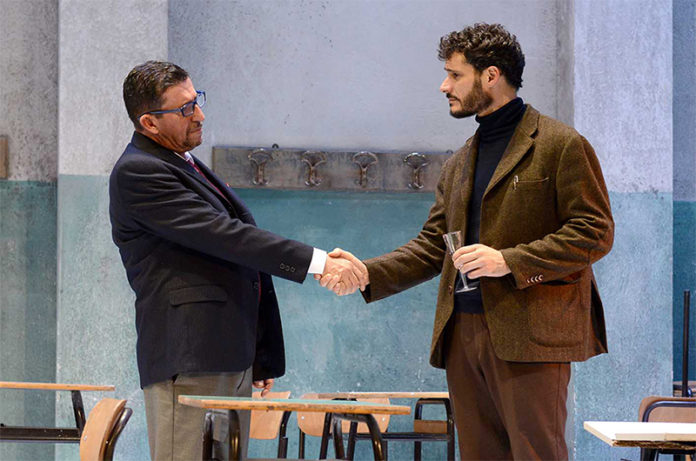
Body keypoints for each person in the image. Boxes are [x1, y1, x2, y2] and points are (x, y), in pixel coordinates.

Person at [322, 23, 614, 460]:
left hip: (531, 333)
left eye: (455, 75)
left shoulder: (561, 145)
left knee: (536, 453)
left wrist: (509, 260)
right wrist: (368, 272)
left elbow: (594, 231)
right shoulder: (459, 162)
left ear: (491, 75)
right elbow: (432, 246)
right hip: (462, 332)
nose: (444, 86)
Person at [109, 60, 367, 461]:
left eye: (197, 100)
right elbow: (228, 238)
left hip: (228, 355)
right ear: (149, 122)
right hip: (190, 358)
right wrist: (318, 262)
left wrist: (258, 354)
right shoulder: (139, 172)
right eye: (184, 109)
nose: (199, 115)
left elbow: (234, 263)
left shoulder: (183, 162)